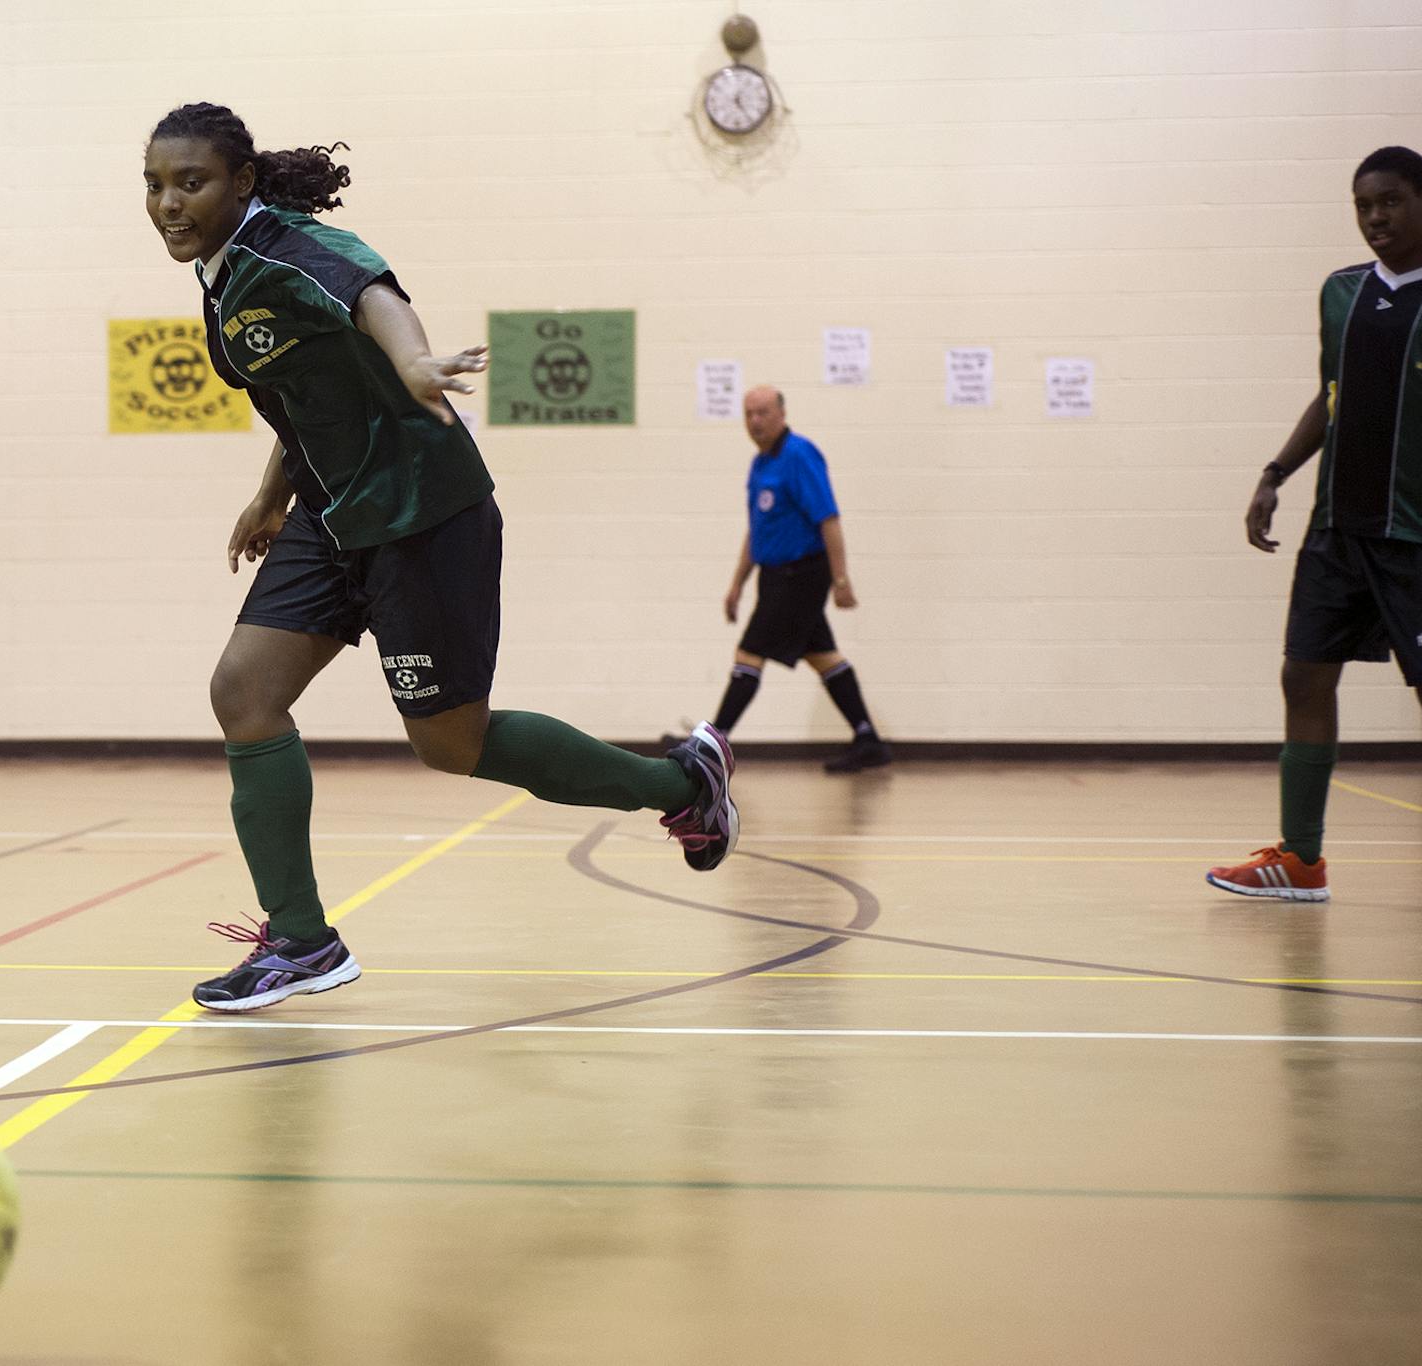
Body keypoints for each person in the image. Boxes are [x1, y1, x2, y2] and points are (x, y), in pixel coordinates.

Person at [142, 103, 741, 1012]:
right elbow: (302, 392)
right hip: (331, 512)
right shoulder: (223, 276)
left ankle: (680, 782)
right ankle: (302, 940)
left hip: (423, 510)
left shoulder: (287, 248)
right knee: (244, 693)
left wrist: (415, 361)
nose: (169, 202)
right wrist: (271, 493)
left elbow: (369, 294)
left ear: (243, 184)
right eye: (154, 185)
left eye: (192, 182)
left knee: (451, 746)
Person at [1206, 145, 1422, 907]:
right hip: (1336, 533)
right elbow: (1332, 395)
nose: (1376, 218)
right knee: (1303, 674)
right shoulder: (1340, 292)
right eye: (1363, 206)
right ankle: (1301, 860)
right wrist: (1275, 473)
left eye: (1390, 202)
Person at [667, 387, 890, 773]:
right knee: (822, 656)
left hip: (802, 573)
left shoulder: (800, 455)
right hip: (773, 577)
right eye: (748, 414)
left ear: (782, 413)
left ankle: (709, 749)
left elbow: (829, 519)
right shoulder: (759, 465)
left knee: (749, 654)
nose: (755, 421)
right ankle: (867, 737)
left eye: (763, 412)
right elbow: (757, 531)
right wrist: (737, 584)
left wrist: (840, 579)